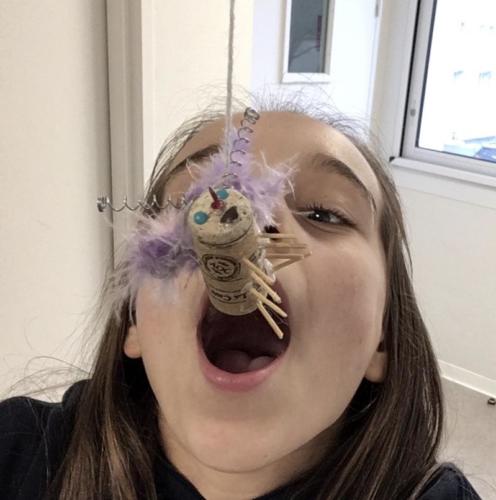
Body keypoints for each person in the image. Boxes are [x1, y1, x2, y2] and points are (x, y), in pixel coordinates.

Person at [0, 101, 482, 499]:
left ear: (382, 337)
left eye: (324, 213)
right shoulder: (17, 450)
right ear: (135, 323)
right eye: (194, 201)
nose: (249, 214)